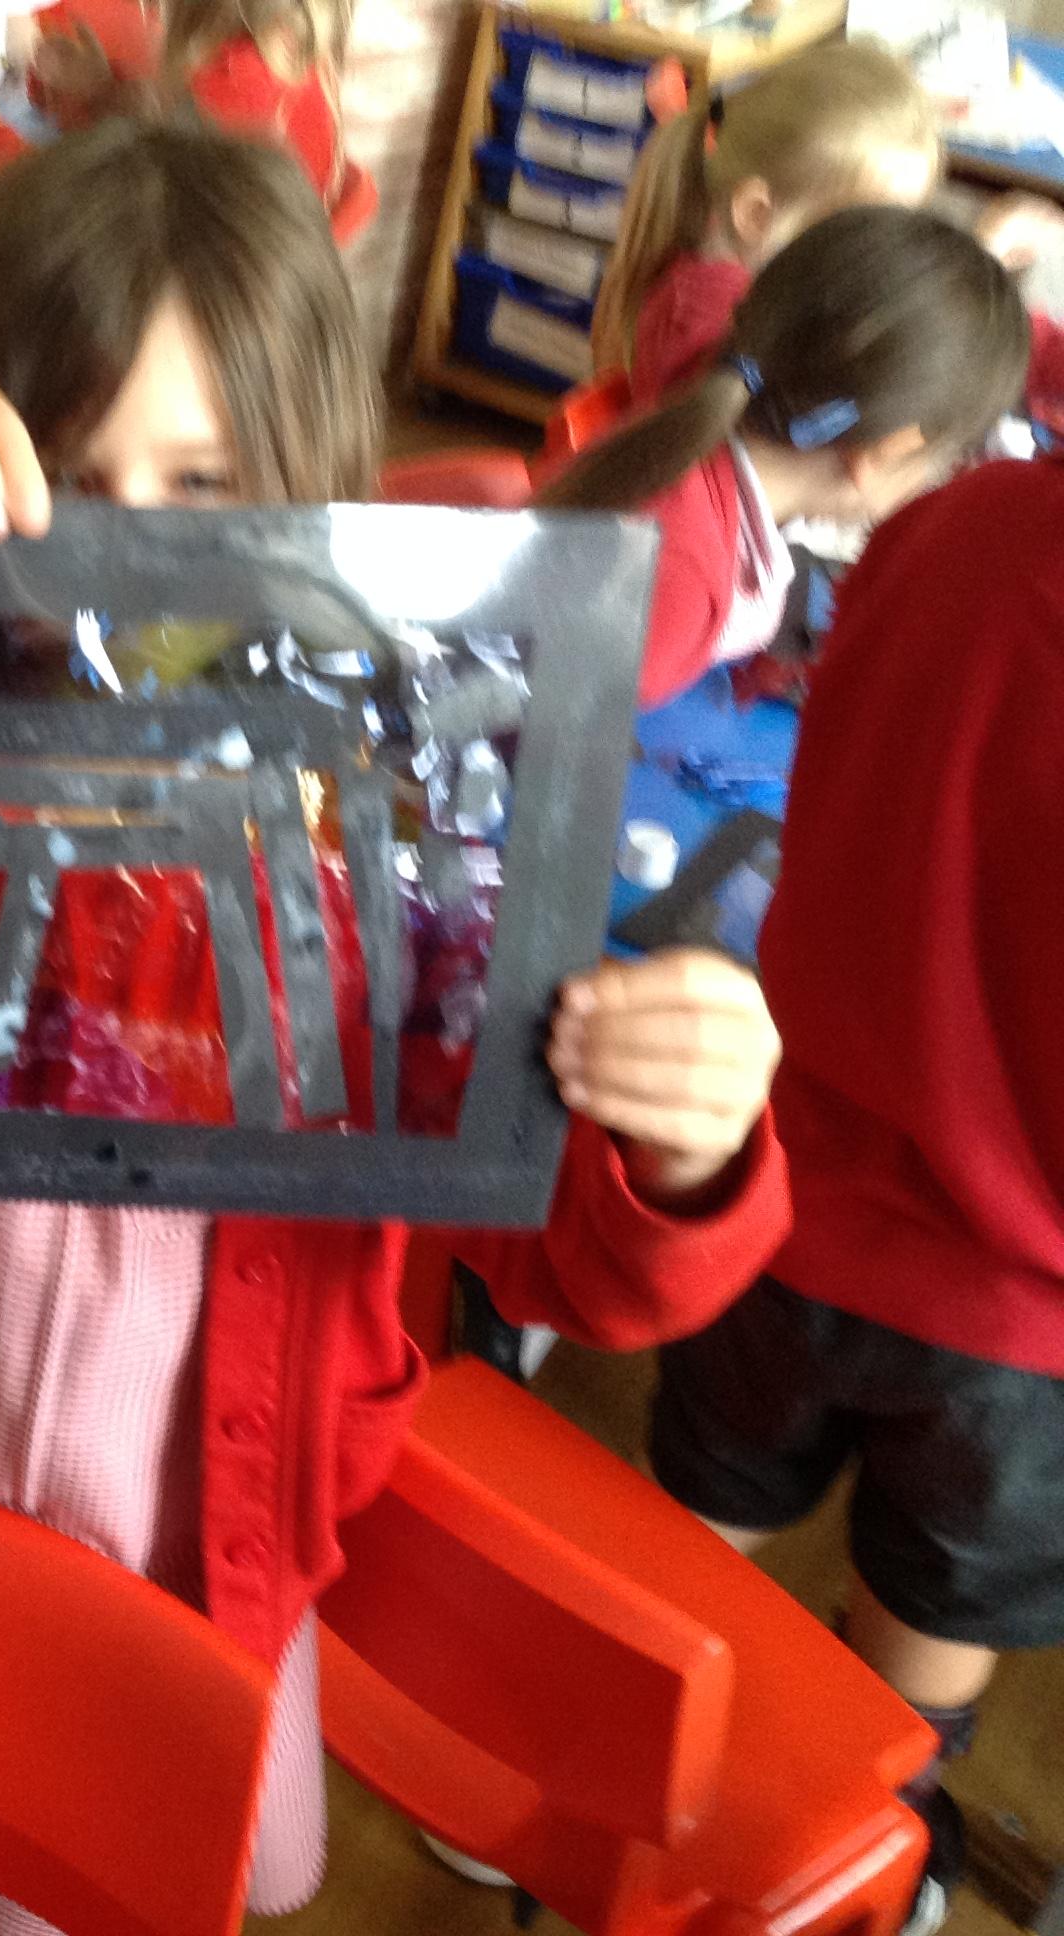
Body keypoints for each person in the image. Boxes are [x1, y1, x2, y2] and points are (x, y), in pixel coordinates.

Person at [0, 118, 790, 1922]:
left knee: (151, 1862)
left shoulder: (409, 828)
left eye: (199, 485)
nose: (124, 553)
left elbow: (574, 1257)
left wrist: (689, 1145)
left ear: (306, 492)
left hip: (203, 1550)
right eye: (64, 477)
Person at [646, 450, 1064, 1936]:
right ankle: (866, 1850)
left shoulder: (948, 517)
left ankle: (599, 1777)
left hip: (779, 1190)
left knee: (688, 1548)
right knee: (914, 1649)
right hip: (1019, 1317)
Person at [536, 205, 1027, 709]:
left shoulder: (701, 412)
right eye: (944, 462)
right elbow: (540, 732)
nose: (935, 482)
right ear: (884, 451)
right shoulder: (677, 585)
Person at [588, 38, 1064, 414]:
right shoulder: (704, 324)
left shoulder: (803, 279)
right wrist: (976, 266)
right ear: (757, 215)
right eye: (866, 231)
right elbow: (855, 391)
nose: (886, 256)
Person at [0, 0, 355, 220]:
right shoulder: (273, 44)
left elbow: (90, 224)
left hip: (192, 310)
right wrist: (104, 89)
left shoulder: (236, 85)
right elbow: (170, 137)